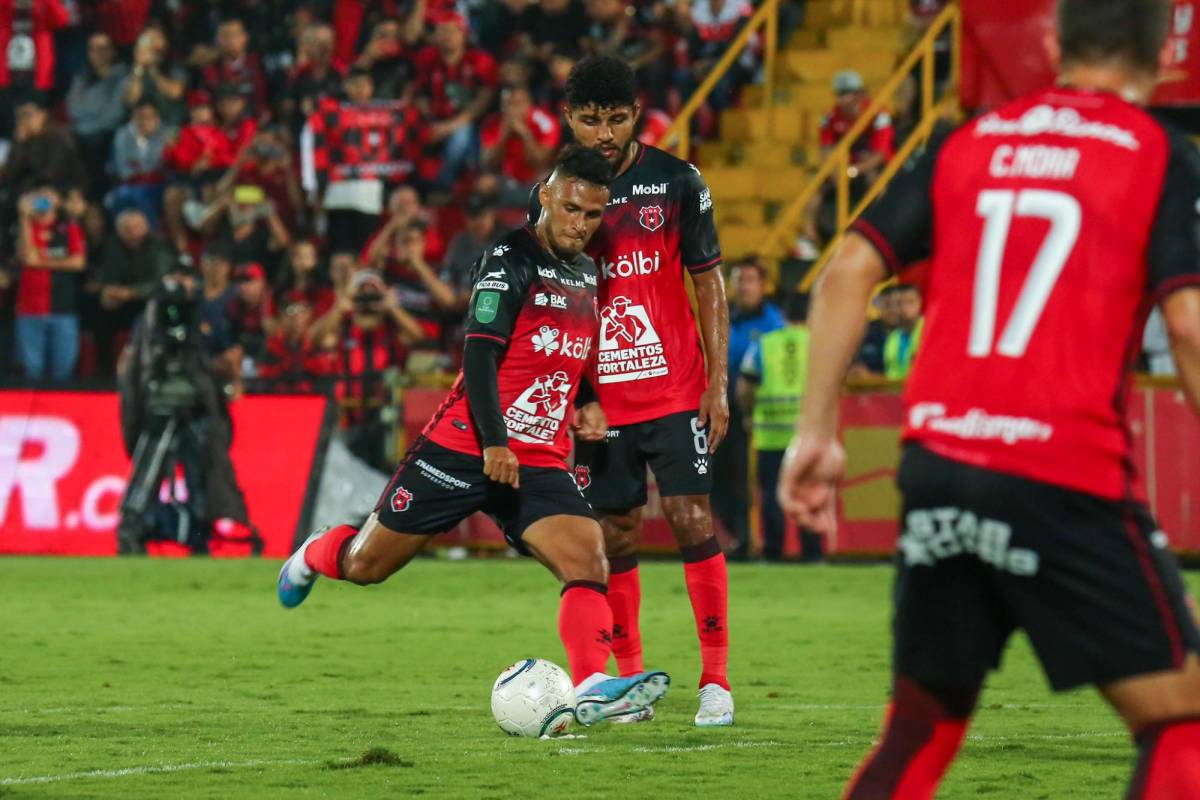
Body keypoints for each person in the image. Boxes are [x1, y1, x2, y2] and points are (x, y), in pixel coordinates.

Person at [777, 1, 1200, 796]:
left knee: (922, 725)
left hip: (937, 464)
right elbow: (1189, 329)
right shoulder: (1158, 154)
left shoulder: (965, 142)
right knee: (1183, 721)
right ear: (1164, 57)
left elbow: (845, 275)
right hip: (1061, 471)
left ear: (1051, 42)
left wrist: (816, 434)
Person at [278, 147, 672, 724]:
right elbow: (480, 356)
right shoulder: (508, 258)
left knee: (588, 557)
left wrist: (587, 401)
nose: (579, 224)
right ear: (545, 195)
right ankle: (317, 551)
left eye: (592, 215)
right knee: (368, 566)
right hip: (464, 447)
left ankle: (590, 682)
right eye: (570, 209)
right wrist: (493, 442)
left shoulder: (590, 273)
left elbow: (576, 353)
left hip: (536, 457)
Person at [531, 56, 733, 726]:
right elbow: (546, 299)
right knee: (615, 532)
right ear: (569, 119)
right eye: (590, 119)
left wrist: (719, 383)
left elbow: (708, 281)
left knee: (691, 518)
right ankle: (628, 684)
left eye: (616, 118)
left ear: (637, 113)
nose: (604, 133)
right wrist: (564, 394)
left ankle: (716, 682)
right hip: (598, 401)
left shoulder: (677, 180)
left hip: (676, 389)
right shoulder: (556, 194)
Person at [737, 292, 818, 562]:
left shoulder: (764, 344)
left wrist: (748, 415)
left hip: (770, 433)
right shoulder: (819, 344)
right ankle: (813, 554)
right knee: (808, 492)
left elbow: (745, 386)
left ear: (782, 315)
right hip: (807, 434)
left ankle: (773, 553)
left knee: (771, 494)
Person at [718, 259, 785, 558]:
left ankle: (749, 541)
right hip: (722, 408)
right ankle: (738, 535)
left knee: (749, 480)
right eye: (737, 279)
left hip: (757, 412)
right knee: (718, 478)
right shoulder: (724, 316)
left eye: (749, 279)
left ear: (763, 284)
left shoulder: (774, 323)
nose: (742, 285)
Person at [13, 186, 85, 381]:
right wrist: (24, 218)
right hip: (30, 310)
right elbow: (27, 257)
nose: (42, 200)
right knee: (31, 371)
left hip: (63, 308)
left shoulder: (68, 227)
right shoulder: (23, 228)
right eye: (38, 196)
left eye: (48, 196)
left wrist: (41, 263)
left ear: (58, 201)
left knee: (63, 371)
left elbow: (78, 262)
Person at [95, 209, 175, 374]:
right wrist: (108, 292)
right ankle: (105, 372)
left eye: (136, 227)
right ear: (119, 230)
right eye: (126, 228)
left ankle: (155, 371)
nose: (131, 232)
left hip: (152, 302)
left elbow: (160, 283)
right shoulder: (113, 246)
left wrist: (130, 292)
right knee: (99, 315)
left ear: (145, 227)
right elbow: (108, 276)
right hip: (123, 303)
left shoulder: (158, 246)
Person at [882, 283, 922, 381]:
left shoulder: (928, 331)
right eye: (900, 303)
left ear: (920, 304)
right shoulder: (893, 337)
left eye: (910, 302)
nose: (905, 308)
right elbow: (890, 371)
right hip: (895, 392)